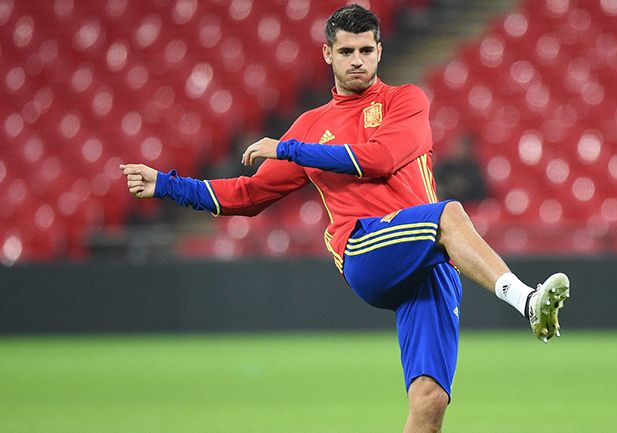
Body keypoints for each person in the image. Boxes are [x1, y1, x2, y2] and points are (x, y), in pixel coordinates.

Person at [120, 5, 570, 433]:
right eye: (346, 51)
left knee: (430, 403)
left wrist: (288, 149)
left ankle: (523, 306)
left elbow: (380, 159)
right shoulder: (312, 125)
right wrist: (166, 185)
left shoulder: (406, 102)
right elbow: (249, 195)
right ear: (327, 54)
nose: (357, 60)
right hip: (365, 248)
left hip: (430, 264)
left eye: (366, 50)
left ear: (379, 50)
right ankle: (527, 302)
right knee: (449, 214)